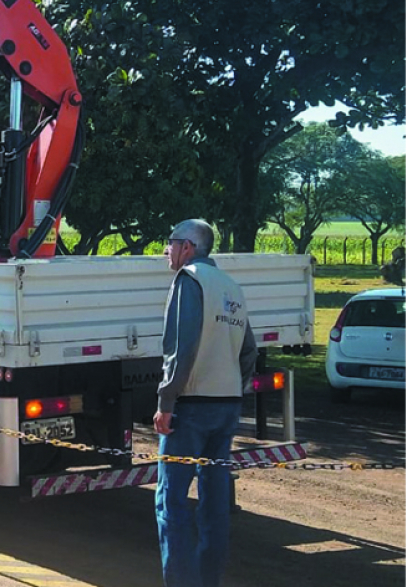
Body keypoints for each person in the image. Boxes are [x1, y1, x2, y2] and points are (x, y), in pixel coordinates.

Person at [155, 218, 257, 587]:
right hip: (226, 405)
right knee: (214, 503)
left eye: (170, 243)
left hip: (192, 407)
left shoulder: (189, 280)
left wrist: (166, 401)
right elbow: (249, 352)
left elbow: (181, 348)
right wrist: (233, 387)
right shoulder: (232, 287)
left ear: (188, 247)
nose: (166, 251)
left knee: (171, 503)